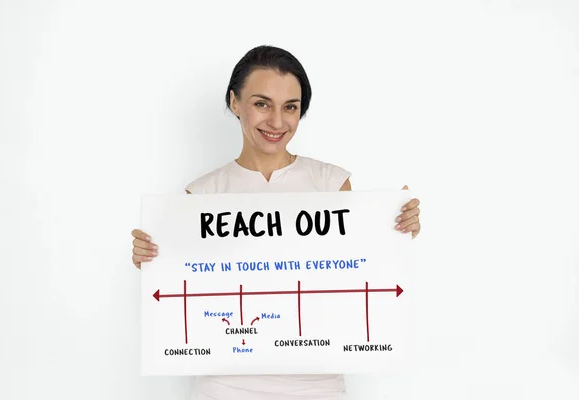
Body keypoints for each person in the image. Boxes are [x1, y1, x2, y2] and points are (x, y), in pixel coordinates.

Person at [131, 45, 421, 400]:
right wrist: (151, 259)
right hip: (225, 385)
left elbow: (360, 270)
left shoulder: (330, 183)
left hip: (317, 384)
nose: (277, 122)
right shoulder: (202, 195)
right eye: (261, 103)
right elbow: (185, 291)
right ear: (235, 102)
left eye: (290, 107)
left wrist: (395, 228)